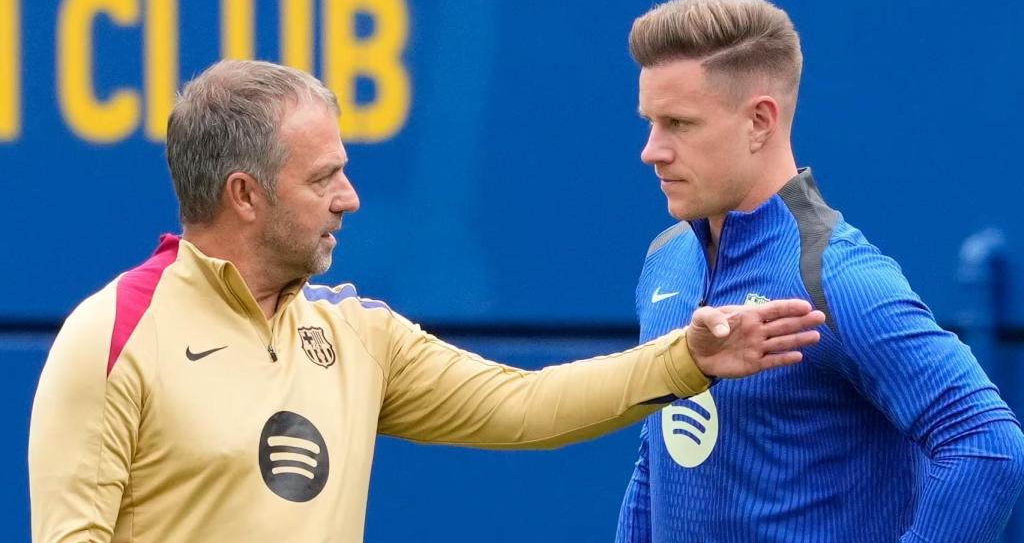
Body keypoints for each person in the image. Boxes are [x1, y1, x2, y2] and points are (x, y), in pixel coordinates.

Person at [28, 59, 826, 543]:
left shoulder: (353, 332)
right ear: (244, 195)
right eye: (322, 178)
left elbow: (525, 406)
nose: (350, 198)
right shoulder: (113, 334)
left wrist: (687, 359)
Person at [615, 0, 1024, 543]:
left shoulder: (837, 277)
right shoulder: (666, 260)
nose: (652, 150)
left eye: (678, 123)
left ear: (760, 121)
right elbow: (657, 462)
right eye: (649, 122)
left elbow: (987, 444)